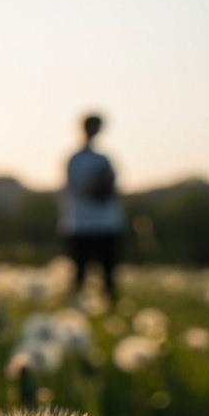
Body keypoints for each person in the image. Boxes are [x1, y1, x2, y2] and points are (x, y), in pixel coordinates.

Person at [60, 114, 124, 305]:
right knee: (80, 272)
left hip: (105, 223)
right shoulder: (76, 159)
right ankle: (77, 307)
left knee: (109, 273)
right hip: (81, 223)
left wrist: (103, 184)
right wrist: (99, 183)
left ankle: (108, 306)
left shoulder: (104, 159)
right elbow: (79, 189)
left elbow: (113, 188)